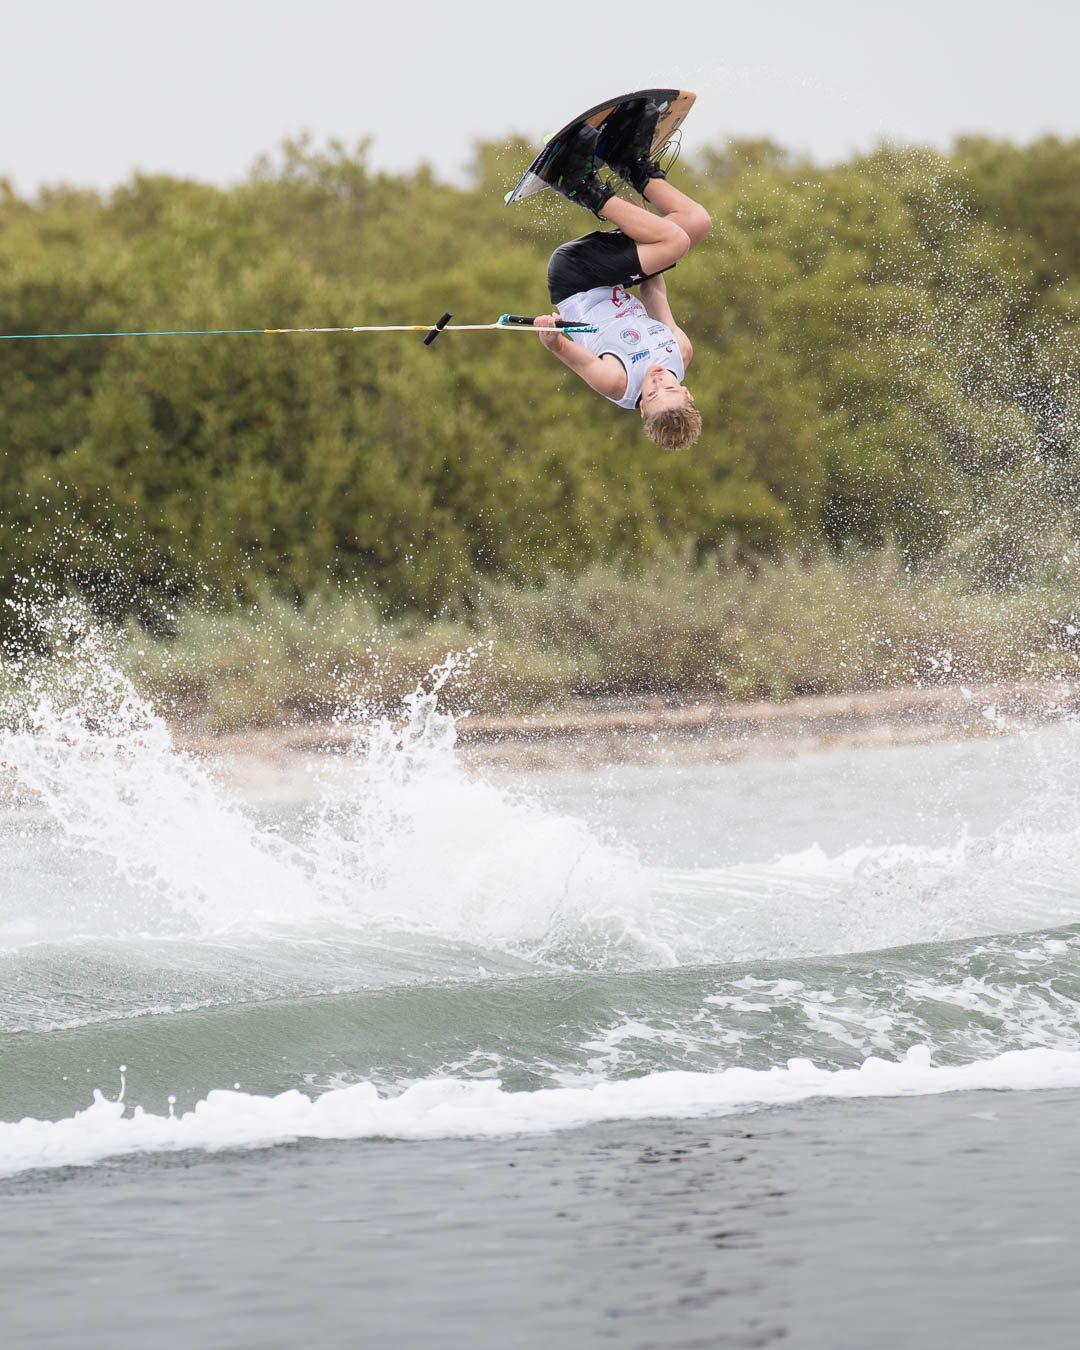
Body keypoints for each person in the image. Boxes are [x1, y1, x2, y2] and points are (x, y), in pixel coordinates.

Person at [533, 100, 712, 451]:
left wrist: (550, 336)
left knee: (675, 239)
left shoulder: (617, 382)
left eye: (654, 393)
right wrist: (646, 230)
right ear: (686, 392)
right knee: (696, 223)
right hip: (613, 276)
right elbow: (654, 295)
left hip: (576, 276)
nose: (660, 381)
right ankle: (628, 162)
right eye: (671, 389)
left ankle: (575, 182)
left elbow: (561, 349)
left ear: (643, 407)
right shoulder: (680, 352)